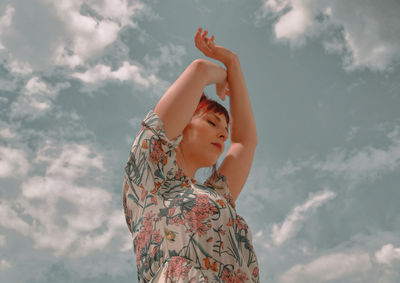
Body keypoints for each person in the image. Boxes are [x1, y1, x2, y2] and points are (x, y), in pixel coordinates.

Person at [123, 27, 259, 282]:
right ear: (182, 123)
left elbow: (245, 141)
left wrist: (234, 63)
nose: (223, 135)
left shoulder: (217, 194)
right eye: (211, 122)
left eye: (225, 129)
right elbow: (199, 70)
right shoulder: (150, 174)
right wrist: (223, 73)